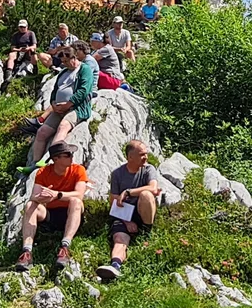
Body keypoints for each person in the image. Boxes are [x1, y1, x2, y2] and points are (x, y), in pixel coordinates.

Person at [14, 142, 88, 272]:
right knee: (31, 205)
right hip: (51, 213)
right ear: (56, 159)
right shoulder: (43, 172)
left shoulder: (78, 170)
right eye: (67, 154)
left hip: (71, 212)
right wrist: (43, 198)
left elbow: (79, 194)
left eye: (71, 154)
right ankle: (27, 252)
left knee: (76, 202)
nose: (71, 156)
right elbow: (34, 196)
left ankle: (65, 247)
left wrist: (57, 195)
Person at [97, 139, 161, 282]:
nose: (146, 157)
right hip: (123, 215)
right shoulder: (117, 174)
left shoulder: (148, 169)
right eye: (142, 154)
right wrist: (126, 222)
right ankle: (115, 265)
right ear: (130, 157)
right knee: (119, 238)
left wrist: (128, 192)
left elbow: (153, 188)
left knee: (146, 195)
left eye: (146, 154)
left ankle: (146, 231)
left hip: (141, 212)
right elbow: (114, 202)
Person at [29, 43, 95, 166]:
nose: (64, 64)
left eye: (66, 61)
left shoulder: (85, 70)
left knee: (63, 126)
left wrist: (68, 104)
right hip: (59, 109)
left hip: (76, 108)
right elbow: (55, 91)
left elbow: (83, 90)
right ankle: (35, 163)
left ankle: (49, 158)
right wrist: (53, 104)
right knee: (42, 132)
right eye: (62, 61)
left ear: (74, 58)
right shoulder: (63, 72)